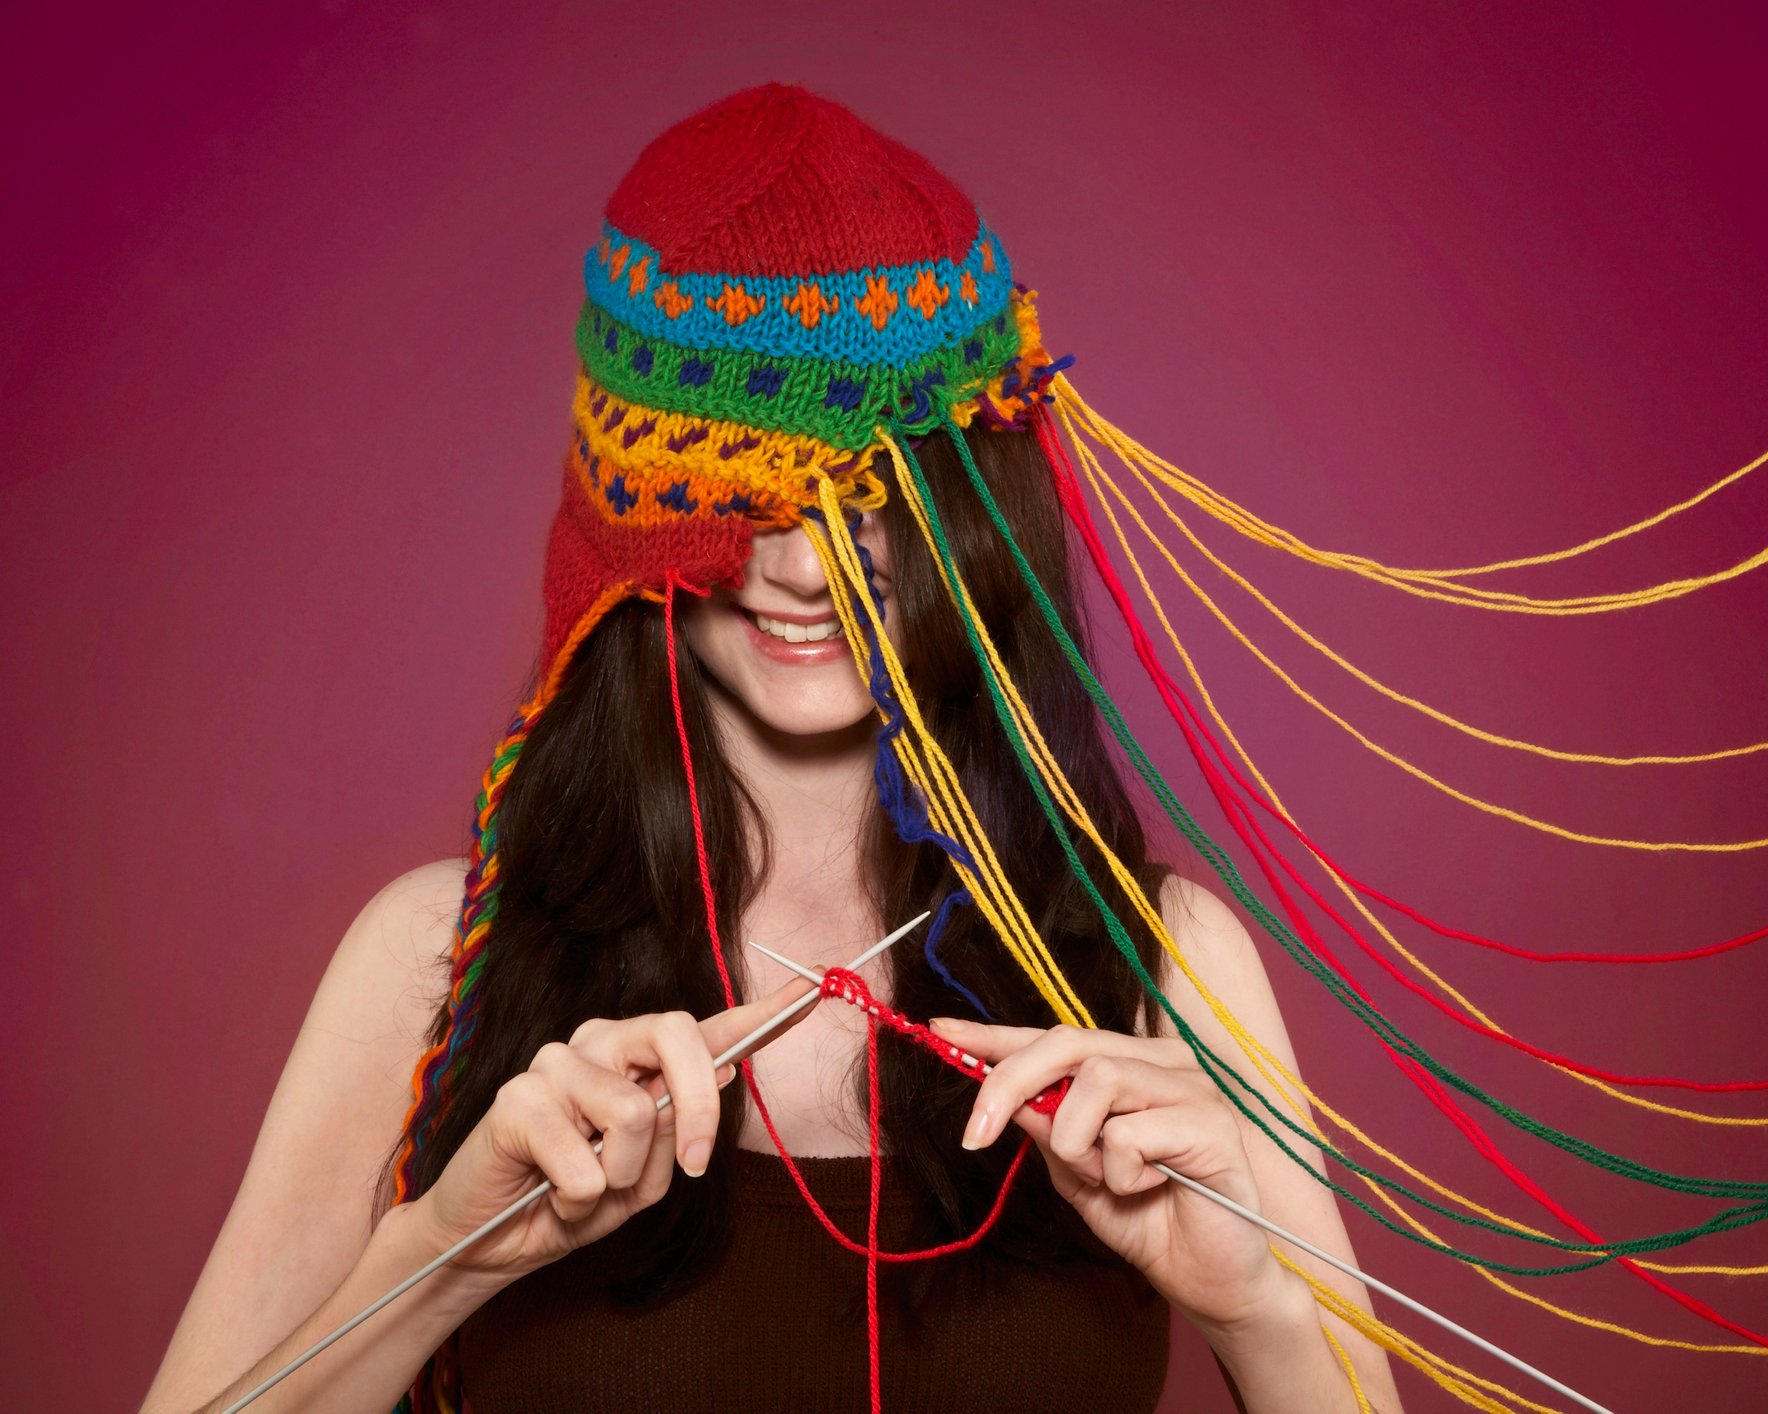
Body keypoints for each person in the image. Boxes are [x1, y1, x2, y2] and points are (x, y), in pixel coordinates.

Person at [142, 82, 1401, 1414]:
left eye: (871, 497)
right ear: (625, 518)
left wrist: (1260, 1307)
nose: (807, 572)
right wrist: (438, 1261)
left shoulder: (1166, 959)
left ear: (978, 506)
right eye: (745, 499)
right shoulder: (431, 964)